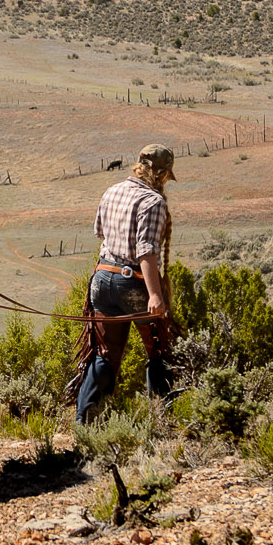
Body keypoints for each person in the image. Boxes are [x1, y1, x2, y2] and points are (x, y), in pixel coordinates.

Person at [73, 143, 177, 423]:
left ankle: (85, 424)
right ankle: (160, 422)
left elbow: (99, 232)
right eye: (167, 176)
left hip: (101, 279)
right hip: (133, 283)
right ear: (162, 173)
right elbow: (146, 251)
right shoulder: (153, 202)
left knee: (104, 355)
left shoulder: (112, 191)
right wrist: (155, 295)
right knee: (160, 351)